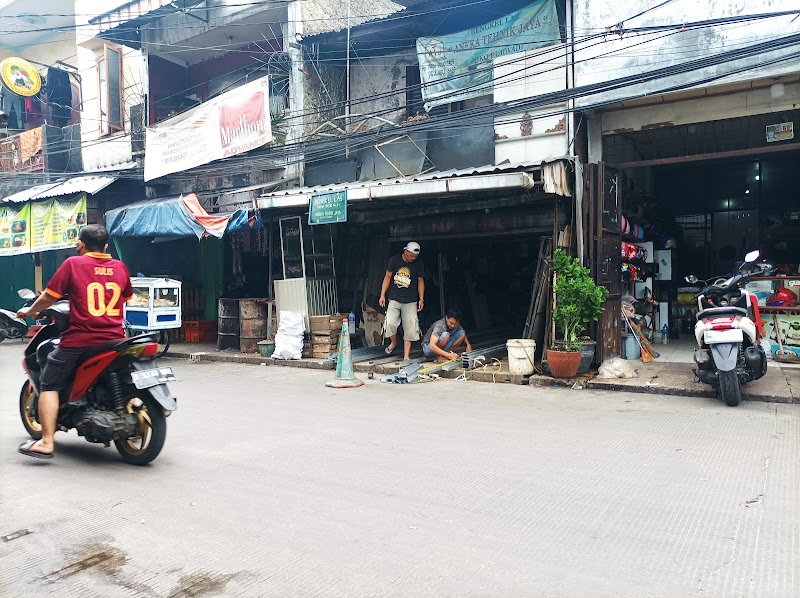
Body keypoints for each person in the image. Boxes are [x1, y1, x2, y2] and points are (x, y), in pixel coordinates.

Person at [16, 225, 133, 460]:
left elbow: (49, 296)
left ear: (80, 244)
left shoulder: (73, 264)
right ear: (106, 246)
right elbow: (126, 297)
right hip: (116, 338)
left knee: (49, 383)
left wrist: (30, 311)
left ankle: (47, 441)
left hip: (81, 338)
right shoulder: (119, 267)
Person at [379, 241, 425, 363]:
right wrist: (382, 295)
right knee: (389, 323)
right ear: (406, 251)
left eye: (415, 256)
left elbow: (420, 281)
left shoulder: (418, 264)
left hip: (411, 300)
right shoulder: (394, 260)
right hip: (394, 298)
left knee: (410, 326)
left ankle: (406, 356)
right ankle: (394, 341)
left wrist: (421, 298)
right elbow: (387, 277)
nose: (413, 258)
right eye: (411, 256)